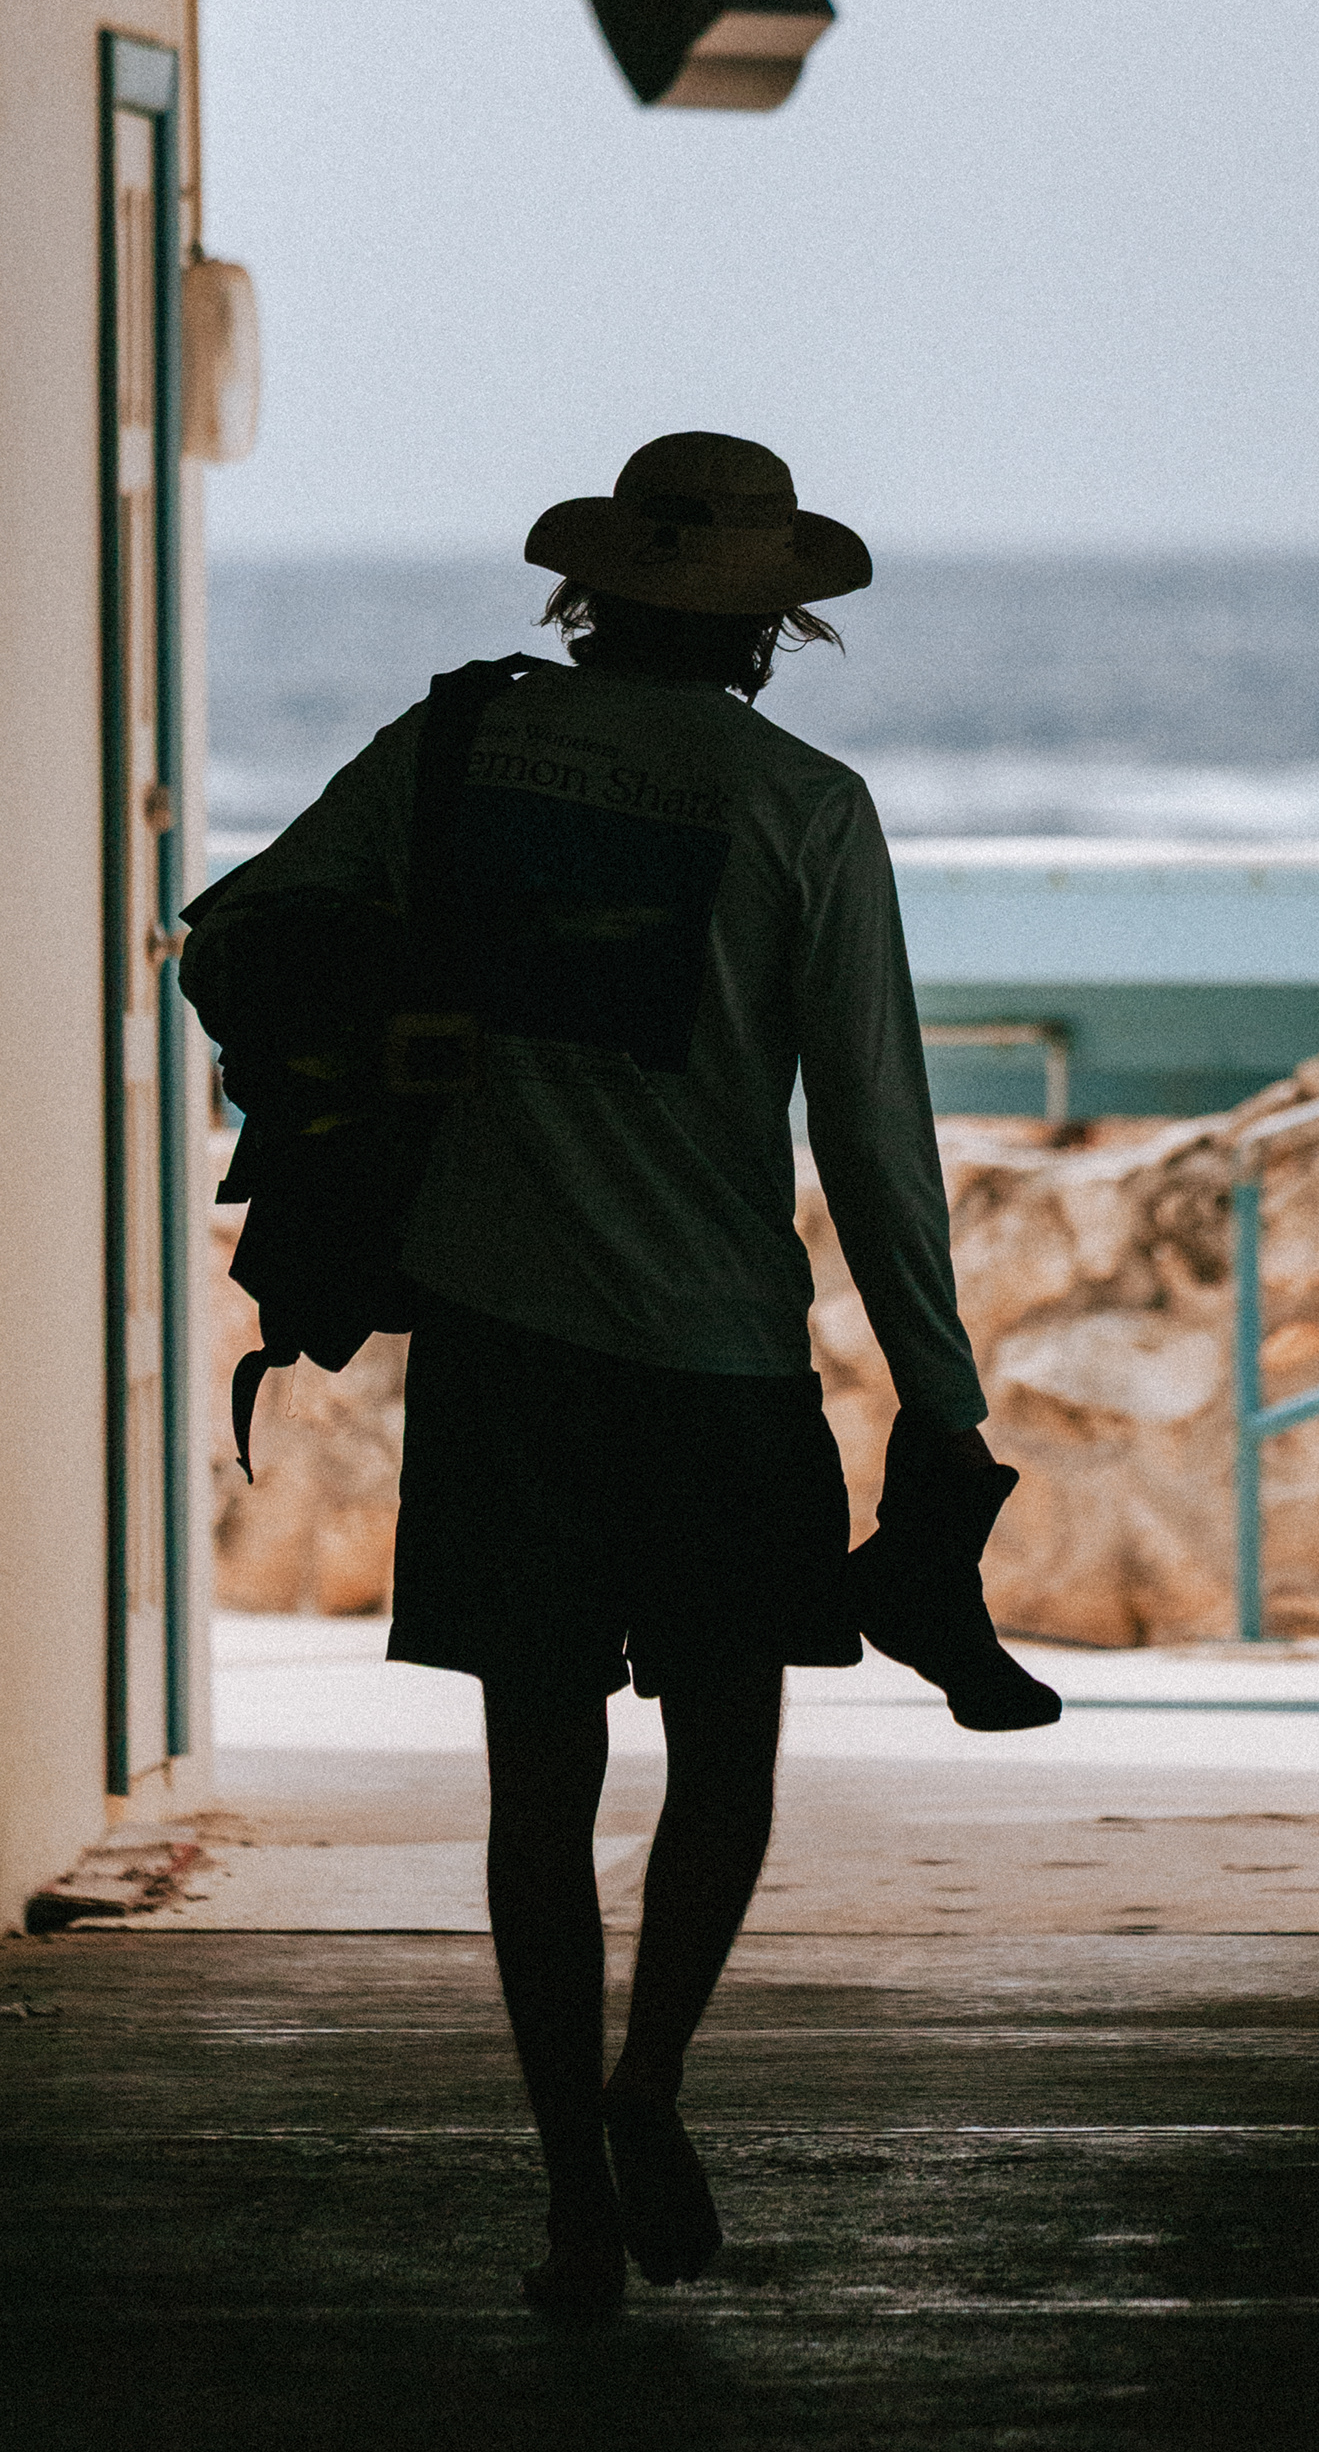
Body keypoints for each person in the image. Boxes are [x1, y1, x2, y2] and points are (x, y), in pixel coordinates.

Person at [185, 432, 1058, 2313]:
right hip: (718, 1360)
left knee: (537, 1787)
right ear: (771, 622)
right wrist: (941, 1394)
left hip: (500, 1348)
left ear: (595, 591)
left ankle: (571, 2198)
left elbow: (238, 928)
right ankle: (649, 2079)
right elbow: (876, 1139)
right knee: (725, 1758)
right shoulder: (803, 804)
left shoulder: (456, 749)